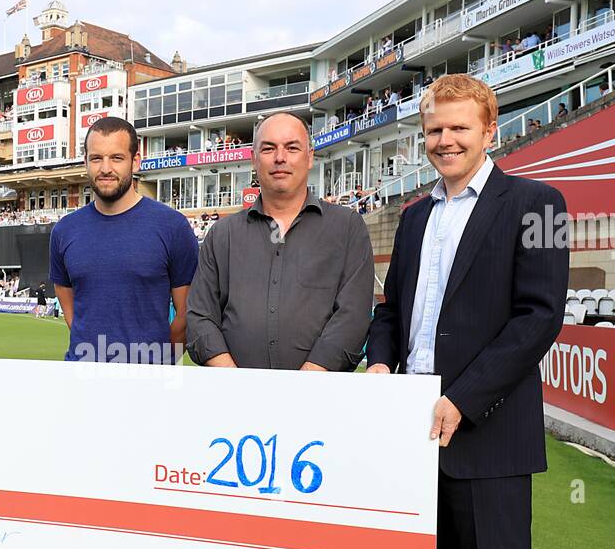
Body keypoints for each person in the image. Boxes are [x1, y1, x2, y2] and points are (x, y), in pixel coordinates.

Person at [366, 74, 568, 549]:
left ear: (491, 131)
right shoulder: (417, 218)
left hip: (487, 434)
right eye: (433, 131)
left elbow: (538, 317)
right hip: (412, 433)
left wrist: (463, 397)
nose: (444, 142)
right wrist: (383, 358)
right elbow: (391, 310)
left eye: (458, 129)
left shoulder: (538, 205)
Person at [187, 112, 374, 371]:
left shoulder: (347, 228)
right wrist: (231, 380)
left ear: (309, 157)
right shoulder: (223, 234)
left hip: (320, 401)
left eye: (292, 147)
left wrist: (306, 381)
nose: (280, 158)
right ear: (253, 159)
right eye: (268, 148)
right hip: (235, 400)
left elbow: (353, 315)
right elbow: (200, 316)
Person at [49, 116, 198, 364]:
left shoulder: (173, 226)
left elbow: (185, 315)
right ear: (86, 162)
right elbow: (71, 313)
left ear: (135, 161)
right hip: (82, 379)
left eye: (116, 158)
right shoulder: (64, 231)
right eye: (96, 158)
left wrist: (158, 365)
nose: (105, 168)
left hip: (150, 383)